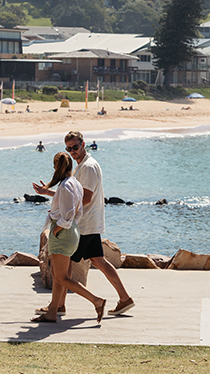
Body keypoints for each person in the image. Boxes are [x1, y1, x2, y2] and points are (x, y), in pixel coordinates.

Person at [33, 131, 134, 317]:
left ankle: (59, 306)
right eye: (68, 149)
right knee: (98, 261)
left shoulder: (87, 167)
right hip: (88, 223)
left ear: (83, 144)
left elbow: (83, 199)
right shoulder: (84, 165)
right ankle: (124, 298)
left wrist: (63, 217)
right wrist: (50, 194)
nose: (73, 152)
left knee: (61, 268)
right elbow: (73, 198)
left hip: (83, 225)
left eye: (75, 147)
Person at [31, 152, 106, 323]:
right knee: (58, 275)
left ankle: (96, 300)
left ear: (57, 167)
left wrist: (57, 229)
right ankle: (54, 310)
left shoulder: (65, 186)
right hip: (71, 232)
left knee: (62, 277)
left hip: (64, 233)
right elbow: (76, 213)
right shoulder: (75, 184)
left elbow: (68, 215)